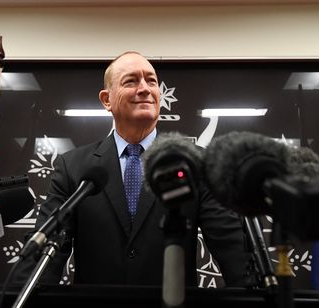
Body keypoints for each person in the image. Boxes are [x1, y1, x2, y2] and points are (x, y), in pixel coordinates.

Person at [17, 51, 251, 287]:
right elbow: (46, 256)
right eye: (131, 81)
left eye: (151, 81)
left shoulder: (197, 164)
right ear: (106, 100)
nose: (145, 89)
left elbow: (232, 249)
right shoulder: (73, 166)